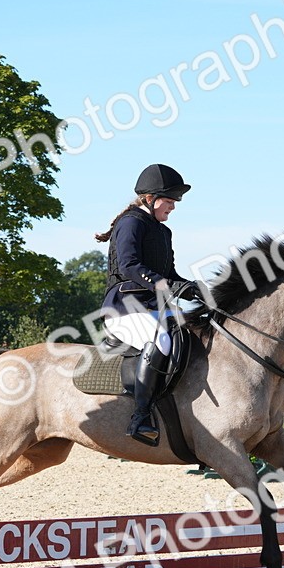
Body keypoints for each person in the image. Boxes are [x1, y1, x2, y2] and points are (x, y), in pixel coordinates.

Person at [95, 163, 199, 446]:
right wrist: (166, 286)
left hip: (154, 306)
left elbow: (169, 274)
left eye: (176, 201)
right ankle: (140, 417)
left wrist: (190, 287)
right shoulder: (131, 223)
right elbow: (129, 266)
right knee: (161, 340)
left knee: (192, 334)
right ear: (150, 198)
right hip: (123, 307)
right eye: (170, 200)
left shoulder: (163, 232)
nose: (174, 206)